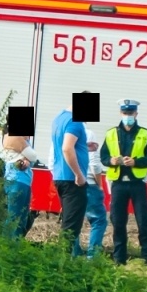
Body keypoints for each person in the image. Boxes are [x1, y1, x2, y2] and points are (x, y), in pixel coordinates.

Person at [102, 99, 147, 265]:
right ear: (121, 113)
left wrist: (136, 162)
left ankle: (146, 257)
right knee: (118, 221)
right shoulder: (111, 134)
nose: (128, 116)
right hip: (118, 183)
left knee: (143, 220)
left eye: (131, 113)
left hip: (137, 183)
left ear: (136, 114)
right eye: (125, 113)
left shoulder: (145, 134)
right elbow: (103, 156)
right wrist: (111, 161)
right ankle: (119, 258)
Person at [50, 105, 89, 256]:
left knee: (68, 221)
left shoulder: (59, 118)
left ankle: (63, 259)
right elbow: (67, 148)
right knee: (71, 227)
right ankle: (63, 262)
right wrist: (78, 174)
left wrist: (84, 147)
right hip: (72, 180)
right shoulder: (75, 121)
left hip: (60, 176)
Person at [0, 130, 39, 239]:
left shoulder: (20, 139)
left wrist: (26, 158)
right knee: (15, 217)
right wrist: (27, 158)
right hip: (18, 181)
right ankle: (7, 243)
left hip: (22, 182)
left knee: (20, 217)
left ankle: (14, 243)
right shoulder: (16, 138)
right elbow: (34, 156)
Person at [83, 127, 108, 257]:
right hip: (90, 184)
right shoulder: (88, 133)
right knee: (99, 220)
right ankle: (92, 256)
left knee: (73, 221)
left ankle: (73, 254)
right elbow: (94, 164)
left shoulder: (65, 132)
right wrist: (100, 184)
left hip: (72, 184)